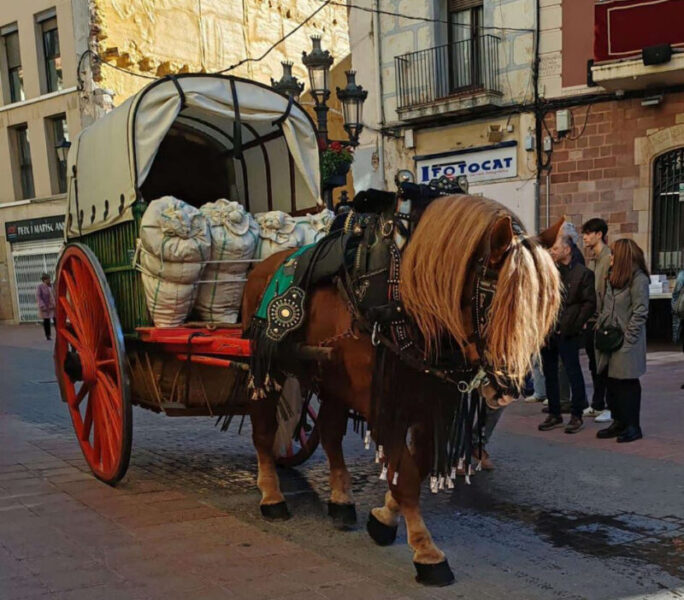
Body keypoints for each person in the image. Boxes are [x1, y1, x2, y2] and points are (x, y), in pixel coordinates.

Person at [539, 234, 596, 433]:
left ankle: (577, 414)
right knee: (550, 373)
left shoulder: (583, 273)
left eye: (555, 248)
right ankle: (554, 412)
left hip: (568, 331)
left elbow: (589, 303)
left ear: (567, 249)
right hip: (549, 330)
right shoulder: (549, 272)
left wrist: (575, 324)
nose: (552, 252)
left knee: (573, 372)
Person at [595, 239, 649, 443]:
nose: (611, 256)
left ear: (624, 256)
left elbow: (640, 311)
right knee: (612, 382)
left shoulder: (639, 279)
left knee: (628, 384)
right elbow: (606, 304)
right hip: (609, 338)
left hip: (626, 341)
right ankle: (618, 422)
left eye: (614, 253)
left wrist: (629, 338)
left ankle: (633, 426)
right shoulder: (614, 276)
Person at [581, 218, 612, 422]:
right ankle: (597, 403)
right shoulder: (592, 259)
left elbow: (606, 291)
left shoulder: (608, 258)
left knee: (604, 364)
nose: (584, 237)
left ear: (599, 234)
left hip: (603, 319)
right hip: (591, 319)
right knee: (594, 364)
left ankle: (608, 405)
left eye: (588, 233)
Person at [36, 273, 56, 341]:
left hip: (53, 305)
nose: (49, 280)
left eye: (49, 279)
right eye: (47, 279)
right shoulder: (40, 287)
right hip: (46, 306)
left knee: (56, 320)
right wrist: (42, 305)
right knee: (46, 321)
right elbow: (38, 296)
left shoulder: (52, 286)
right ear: (44, 280)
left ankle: (59, 333)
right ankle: (48, 335)